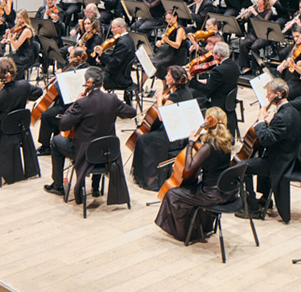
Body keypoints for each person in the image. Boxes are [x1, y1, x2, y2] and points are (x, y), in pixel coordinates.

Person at [44, 67, 136, 203]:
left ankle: (57, 185)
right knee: (100, 138)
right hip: (108, 152)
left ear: (88, 83)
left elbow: (63, 125)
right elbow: (132, 112)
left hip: (85, 153)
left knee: (56, 142)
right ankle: (95, 188)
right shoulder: (112, 99)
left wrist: (75, 103)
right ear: (102, 83)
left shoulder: (82, 103)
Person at [154, 107, 237, 242]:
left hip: (211, 195)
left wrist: (191, 142)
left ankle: (186, 233)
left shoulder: (208, 146)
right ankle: (201, 227)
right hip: (227, 191)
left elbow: (189, 166)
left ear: (210, 122)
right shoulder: (227, 140)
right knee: (191, 186)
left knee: (172, 194)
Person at [237, 78, 301, 223]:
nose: (266, 97)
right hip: (288, 157)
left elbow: (266, 139)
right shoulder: (292, 111)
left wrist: (261, 120)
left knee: (242, 166)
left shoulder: (281, 117)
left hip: (279, 163)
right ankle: (266, 198)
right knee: (259, 156)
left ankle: (252, 208)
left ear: (278, 94)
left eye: (269, 94)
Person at [131, 65, 197, 191]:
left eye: (168, 75)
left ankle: (148, 176)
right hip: (181, 130)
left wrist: (160, 99)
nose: (166, 77)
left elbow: (162, 117)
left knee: (142, 140)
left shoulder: (174, 97)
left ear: (174, 80)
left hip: (170, 134)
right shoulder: (186, 91)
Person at [37, 45, 89, 155]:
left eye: (71, 58)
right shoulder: (78, 67)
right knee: (53, 110)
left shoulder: (79, 72)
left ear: (79, 57)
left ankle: (45, 147)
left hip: (70, 104)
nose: (69, 60)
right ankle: (56, 136)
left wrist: (60, 79)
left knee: (46, 115)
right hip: (69, 102)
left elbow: (66, 92)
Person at [189, 41, 240, 134]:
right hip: (229, 101)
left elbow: (207, 90)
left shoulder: (218, 70)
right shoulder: (235, 65)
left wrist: (192, 81)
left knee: (194, 98)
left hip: (219, 102)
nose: (212, 55)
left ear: (218, 55)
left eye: (213, 53)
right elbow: (222, 81)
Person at [96, 18, 137, 104]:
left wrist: (102, 55)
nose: (112, 30)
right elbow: (116, 57)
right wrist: (102, 58)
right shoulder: (129, 39)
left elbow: (114, 62)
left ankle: (97, 105)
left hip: (117, 78)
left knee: (94, 78)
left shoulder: (122, 43)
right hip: (122, 74)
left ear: (121, 27)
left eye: (114, 28)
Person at [237, 0, 277, 73]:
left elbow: (263, 23)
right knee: (243, 44)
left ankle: (256, 67)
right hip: (253, 33)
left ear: (264, 1)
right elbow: (245, 20)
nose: (257, 1)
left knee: (254, 47)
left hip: (263, 34)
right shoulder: (255, 9)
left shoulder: (268, 11)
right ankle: (246, 66)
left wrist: (255, 13)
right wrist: (243, 16)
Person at [151, 9, 189, 79]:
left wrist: (167, 41)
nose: (169, 21)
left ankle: (165, 87)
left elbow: (177, 45)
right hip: (170, 53)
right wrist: (160, 42)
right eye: (167, 20)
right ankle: (164, 85)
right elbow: (164, 41)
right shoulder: (169, 28)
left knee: (160, 65)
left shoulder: (180, 29)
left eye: (170, 19)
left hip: (178, 55)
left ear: (175, 17)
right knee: (153, 62)